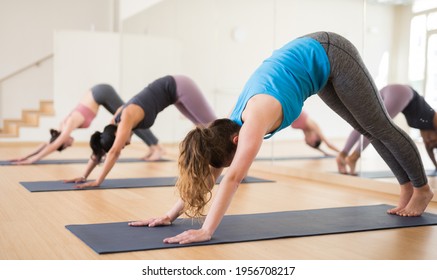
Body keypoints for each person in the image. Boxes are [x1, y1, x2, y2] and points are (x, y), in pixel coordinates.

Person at [129, 31, 434, 245]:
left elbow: (233, 177)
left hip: (330, 51)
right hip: (316, 68)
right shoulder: (223, 132)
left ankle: (421, 189)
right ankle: (406, 187)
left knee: (379, 124)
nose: (225, 167)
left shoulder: (253, 121)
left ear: (236, 143)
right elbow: (215, 173)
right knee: (369, 129)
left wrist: (207, 230)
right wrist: (170, 215)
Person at [65, 75, 217, 188]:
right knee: (203, 127)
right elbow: (102, 148)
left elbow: (114, 152)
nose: (127, 143)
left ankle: (238, 165)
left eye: (123, 144)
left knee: (215, 128)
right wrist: (84, 175)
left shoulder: (125, 117)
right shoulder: (114, 122)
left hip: (180, 85)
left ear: (118, 135)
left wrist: (98, 181)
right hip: (173, 94)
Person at [9, 84, 164, 164]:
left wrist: (32, 160)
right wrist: (25, 156)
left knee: (128, 120)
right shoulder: (61, 127)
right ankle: (153, 147)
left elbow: (53, 144)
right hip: (99, 94)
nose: (70, 144)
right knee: (127, 121)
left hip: (101, 93)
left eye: (66, 145)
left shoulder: (68, 124)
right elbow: (47, 143)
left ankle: (156, 147)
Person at [337, 84, 437, 175]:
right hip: (403, 92)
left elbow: (429, 150)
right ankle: (353, 157)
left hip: (392, 90)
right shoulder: (434, 119)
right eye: (433, 141)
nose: (430, 141)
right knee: (377, 126)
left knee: (364, 122)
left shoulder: (426, 135)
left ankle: (342, 155)